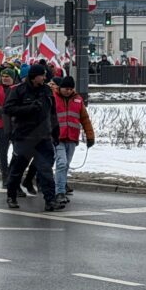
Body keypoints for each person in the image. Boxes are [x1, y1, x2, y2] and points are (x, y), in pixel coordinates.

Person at [4, 63, 63, 211]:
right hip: (24, 138)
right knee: (17, 170)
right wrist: (28, 109)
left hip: (43, 138)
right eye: (42, 75)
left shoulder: (47, 91)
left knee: (46, 171)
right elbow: (8, 109)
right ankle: (11, 196)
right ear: (33, 76)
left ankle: (50, 200)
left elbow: (53, 114)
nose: (44, 78)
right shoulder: (19, 90)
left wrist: (56, 133)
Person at [53, 76, 95, 205]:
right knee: (61, 163)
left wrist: (90, 136)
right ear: (61, 88)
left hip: (71, 138)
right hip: (56, 137)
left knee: (65, 165)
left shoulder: (78, 100)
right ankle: (59, 192)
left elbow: (85, 119)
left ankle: (61, 187)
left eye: (71, 89)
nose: (68, 91)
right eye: (66, 88)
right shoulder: (53, 98)